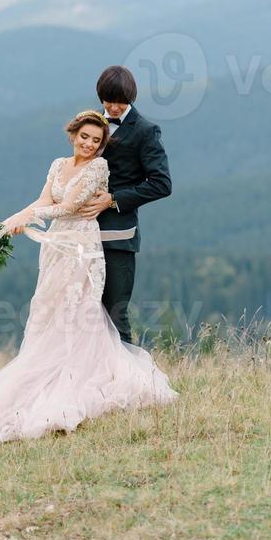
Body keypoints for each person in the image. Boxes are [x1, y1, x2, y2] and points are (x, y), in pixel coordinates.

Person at [0, 108, 178, 445]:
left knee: (78, 312)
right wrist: (2, 227)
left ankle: (82, 379)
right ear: (73, 134)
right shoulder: (58, 165)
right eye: (85, 137)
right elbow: (44, 199)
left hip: (81, 247)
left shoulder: (99, 168)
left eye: (97, 140)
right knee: (48, 310)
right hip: (55, 248)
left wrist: (33, 217)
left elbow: (66, 209)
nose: (90, 144)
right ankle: (44, 374)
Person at [78, 65, 172, 345]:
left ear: (131, 98)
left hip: (118, 238)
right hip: (81, 234)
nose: (113, 107)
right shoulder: (90, 124)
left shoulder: (145, 131)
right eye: (107, 101)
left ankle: (130, 383)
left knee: (115, 314)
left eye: (119, 102)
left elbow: (161, 183)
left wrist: (114, 199)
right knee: (82, 312)